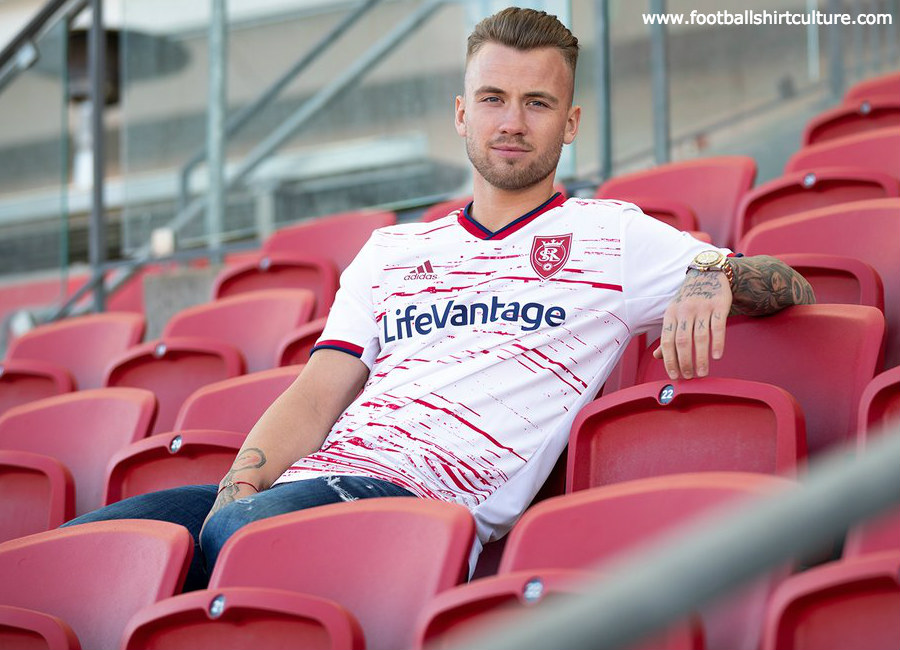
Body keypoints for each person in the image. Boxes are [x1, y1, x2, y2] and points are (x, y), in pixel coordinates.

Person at [64, 7, 815, 588]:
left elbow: (792, 283)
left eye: (537, 103)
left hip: (418, 509)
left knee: (248, 535)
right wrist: (240, 481)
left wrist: (708, 274)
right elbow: (317, 394)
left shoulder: (612, 238)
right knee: (82, 555)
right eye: (492, 98)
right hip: (309, 483)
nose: (512, 122)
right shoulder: (393, 251)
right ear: (462, 115)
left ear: (572, 123)